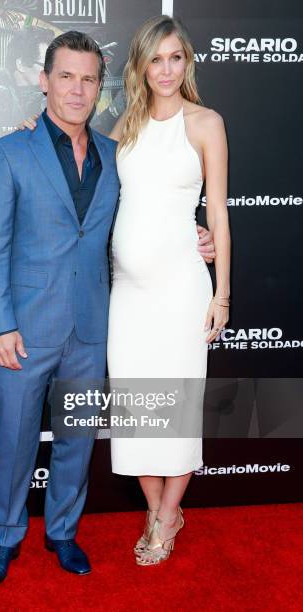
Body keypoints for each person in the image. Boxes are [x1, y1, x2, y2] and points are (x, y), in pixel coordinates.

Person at [0, 29, 215, 587]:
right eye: (66, 76)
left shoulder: (117, 152)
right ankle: (3, 539)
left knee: (76, 440)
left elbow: (152, 212)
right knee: (14, 440)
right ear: (44, 82)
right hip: (25, 329)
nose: (78, 90)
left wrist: (195, 237)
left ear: (99, 85)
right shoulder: (10, 150)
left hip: (92, 327)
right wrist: (0, 325)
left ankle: (62, 532)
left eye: (89, 78)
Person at [107, 15, 230, 566]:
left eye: (175, 57)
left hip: (182, 288)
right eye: (155, 58)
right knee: (136, 409)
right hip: (126, 295)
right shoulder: (123, 126)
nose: (165, 68)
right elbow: (79, 176)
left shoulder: (205, 122)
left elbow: (219, 213)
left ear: (188, 62)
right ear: (142, 64)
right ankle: (162, 510)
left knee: (177, 407)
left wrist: (221, 291)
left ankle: (164, 518)